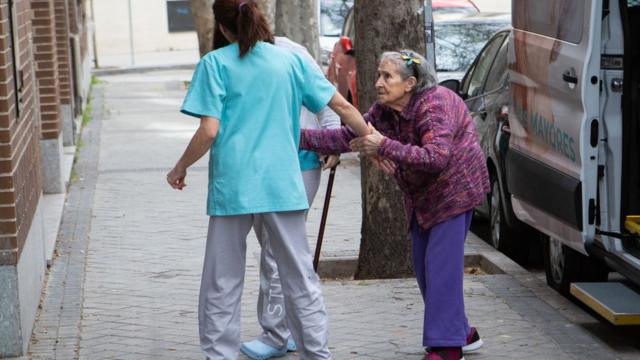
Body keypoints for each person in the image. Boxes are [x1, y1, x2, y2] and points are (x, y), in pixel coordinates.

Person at [165, 0, 370, 359]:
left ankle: (220, 354)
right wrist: (373, 141)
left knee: (222, 279)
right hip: (284, 183)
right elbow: (343, 107)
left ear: (224, 28)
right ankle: (316, 353)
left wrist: (180, 166)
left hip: (234, 187)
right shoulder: (290, 61)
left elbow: (209, 130)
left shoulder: (215, 64)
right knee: (299, 277)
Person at [300, 49, 489, 360]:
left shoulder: (435, 104)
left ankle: (449, 347)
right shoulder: (384, 112)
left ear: (410, 83)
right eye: (378, 75)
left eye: (387, 76)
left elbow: (436, 157)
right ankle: (461, 332)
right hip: (421, 196)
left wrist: (383, 145)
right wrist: (295, 136)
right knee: (425, 268)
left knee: (441, 270)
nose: (378, 82)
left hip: (455, 192)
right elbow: (346, 136)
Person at [240, 36, 341, 360]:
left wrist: (332, 141)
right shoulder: (232, 57)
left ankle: (277, 333)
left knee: (275, 251)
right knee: (272, 248)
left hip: (300, 162)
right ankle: (290, 328)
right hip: (257, 166)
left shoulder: (291, 51)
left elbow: (325, 98)